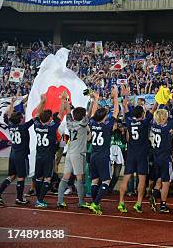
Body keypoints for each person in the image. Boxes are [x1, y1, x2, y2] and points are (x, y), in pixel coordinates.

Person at [87, 86, 119, 215]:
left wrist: (96, 100)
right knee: (106, 181)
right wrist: (115, 97)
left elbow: (94, 114)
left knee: (95, 181)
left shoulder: (93, 123)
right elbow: (116, 112)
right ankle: (95, 203)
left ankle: (95, 203)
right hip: (103, 156)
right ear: (105, 117)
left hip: (93, 155)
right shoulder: (107, 126)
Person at [118, 99, 153, 214]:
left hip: (131, 154)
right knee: (141, 180)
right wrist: (157, 101)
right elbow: (154, 110)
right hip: (142, 155)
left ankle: (121, 202)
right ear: (142, 114)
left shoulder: (129, 121)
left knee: (126, 178)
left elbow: (125, 108)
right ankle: (138, 203)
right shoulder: (144, 122)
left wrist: (125, 97)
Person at [149, 99, 173, 214]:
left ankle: (153, 195)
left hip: (156, 157)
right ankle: (163, 205)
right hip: (165, 158)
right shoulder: (166, 127)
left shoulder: (153, 125)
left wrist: (162, 102)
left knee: (159, 178)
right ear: (163, 118)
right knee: (166, 182)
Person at [0, 97, 34, 206]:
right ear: (19, 120)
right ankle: (19, 198)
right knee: (21, 176)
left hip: (13, 153)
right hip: (21, 155)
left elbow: (9, 115)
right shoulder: (23, 127)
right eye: (22, 117)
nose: (23, 118)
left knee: (11, 176)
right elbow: (35, 117)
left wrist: (12, 102)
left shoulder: (10, 125)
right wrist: (40, 103)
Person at [57, 99, 90, 210]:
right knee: (79, 177)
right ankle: (81, 202)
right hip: (78, 154)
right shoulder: (83, 124)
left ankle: (60, 201)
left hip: (69, 152)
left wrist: (65, 102)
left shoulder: (69, 122)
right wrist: (94, 101)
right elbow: (89, 114)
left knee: (66, 177)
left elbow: (67, 112)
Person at [32, 93, 62, 208]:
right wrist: (63, 101)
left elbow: (36, 114)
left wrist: (42, 102)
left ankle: (38, 197)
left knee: (38, 177)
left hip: (39, 156)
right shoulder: (51, 127)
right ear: (50, 119)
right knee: (48, 178)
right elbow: (59, 113)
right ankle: (40, 200)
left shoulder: (37, 125)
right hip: (48, 157)